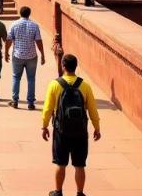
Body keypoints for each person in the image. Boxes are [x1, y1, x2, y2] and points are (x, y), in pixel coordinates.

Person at [41, 53, 101, 196]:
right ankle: (80, 193)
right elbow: (92, 109)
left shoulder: (55, 84)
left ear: (63, 66)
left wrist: (44, 126)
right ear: (76, 67)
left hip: (61, 130)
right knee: (80, 165)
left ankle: (58, 192)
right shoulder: (85, 85)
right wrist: (97, 127)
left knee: (60, 163)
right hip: (80, 131)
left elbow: (48, 108)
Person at [5, 5, 46, 109]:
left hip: (18, 55)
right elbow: (38, 41)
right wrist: (42, 54)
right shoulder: (34, 25)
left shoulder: (14, 24)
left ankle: (15, 101)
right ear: (29, 14)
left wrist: (6, 52)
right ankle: (31, 102)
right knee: (31, 79)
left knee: (16, 77)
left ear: (20, 13)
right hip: (31, 55)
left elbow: (9, 39)